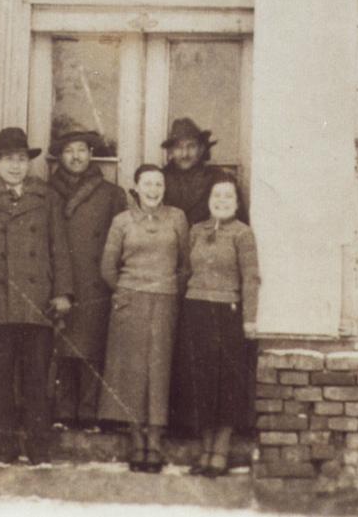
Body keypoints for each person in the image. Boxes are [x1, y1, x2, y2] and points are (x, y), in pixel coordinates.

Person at [0, 127, 73, 466]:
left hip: (38, 302)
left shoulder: (46, 196)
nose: (16, 166)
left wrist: (63, 292)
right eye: (9, 159)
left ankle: (39, 449)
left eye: (21, 159)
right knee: (1, 380)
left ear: (29, 162)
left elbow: (59, 247)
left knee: (37, 379)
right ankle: (4, 449)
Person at [98, 164, 189, 473]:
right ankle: (137, 443)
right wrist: (126, 290)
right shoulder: (122, 221)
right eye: (147, 184)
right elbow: (107, 267)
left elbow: (185, 264)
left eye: (158, 184)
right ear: (136, 187)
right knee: (133, 373)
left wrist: (167, 288)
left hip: (165, 301)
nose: (153, 189)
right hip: (129, 301)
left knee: (159, 371)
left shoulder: (177, 217)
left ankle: (156, 442)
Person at [173, 172, 260, 478]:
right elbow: (185, 271)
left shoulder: (242, 234)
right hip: (196, 311)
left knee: (225, 385)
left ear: (237, 203)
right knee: (201, 383)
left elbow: (251, 278)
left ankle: (220, 453)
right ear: (208, 201)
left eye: (228, 196)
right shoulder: (196, 231)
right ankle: (205, 451)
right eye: (216, 196)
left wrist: (249, 319)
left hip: (228, 314)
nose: (222, 201)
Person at [47, 129, 128, 430]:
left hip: (96, 281)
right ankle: (64, 411)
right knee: (63, 347)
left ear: (91, 154)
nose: (76, 157)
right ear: (60, 156)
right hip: (60, 280)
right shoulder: (47, 192)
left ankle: (90, 411)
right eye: (69, 151)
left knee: (92, 349)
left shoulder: (111, 193)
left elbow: (123, 243)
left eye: (82, 150)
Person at [161, 117, 218, 226]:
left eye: (191, 146)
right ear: (171, 151)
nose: (185, 154)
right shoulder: (160, 179)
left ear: (201, 149)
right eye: (178, 147)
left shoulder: (217, 178)